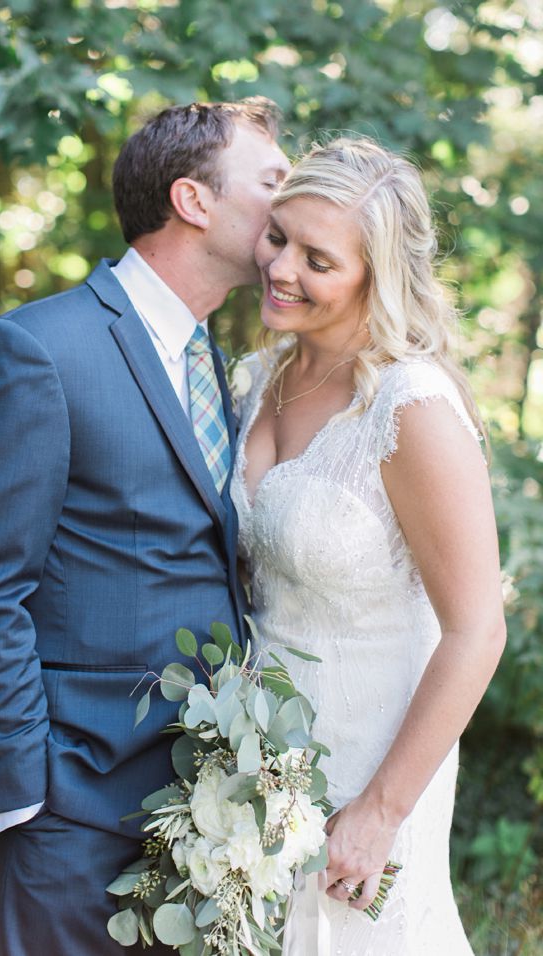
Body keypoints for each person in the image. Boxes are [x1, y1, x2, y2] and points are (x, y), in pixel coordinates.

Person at [0, 98, 289, 954]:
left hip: (203, 805)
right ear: (193, 201)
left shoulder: (219, 361)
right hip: (73, 805)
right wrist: (28, 795)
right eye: (272, 181)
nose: (292, 202)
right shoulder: (37, 350)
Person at [233, 136, 504, 954]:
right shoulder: (253, 378)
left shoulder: (410, 408)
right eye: (278, 238)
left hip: (371, 766)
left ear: (376, 278)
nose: (282, 269)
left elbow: (477, 629)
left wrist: (381, 810)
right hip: (254, 767)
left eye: (319, 258)